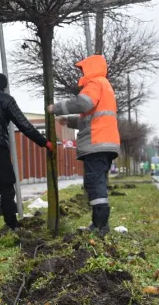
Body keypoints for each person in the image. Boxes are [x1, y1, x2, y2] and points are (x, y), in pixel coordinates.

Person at [0, 73, 53, 234]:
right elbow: (24, 125)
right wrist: (44, 142)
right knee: (6, 187)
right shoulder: (5, 99)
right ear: (4, 86)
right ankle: (11, 224)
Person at [48, 54, 120, 235]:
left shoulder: (95, 83)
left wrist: (55, 108)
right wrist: (69, 120)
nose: (81, 72)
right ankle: (98, 224)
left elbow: (83, 103)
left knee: (94, 183)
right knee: (95, 182)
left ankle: (101, 226)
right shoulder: (105, 86)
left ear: (91, 68)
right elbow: (91, 117)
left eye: (83, 69)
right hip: (105, 142)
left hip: (97, 143)